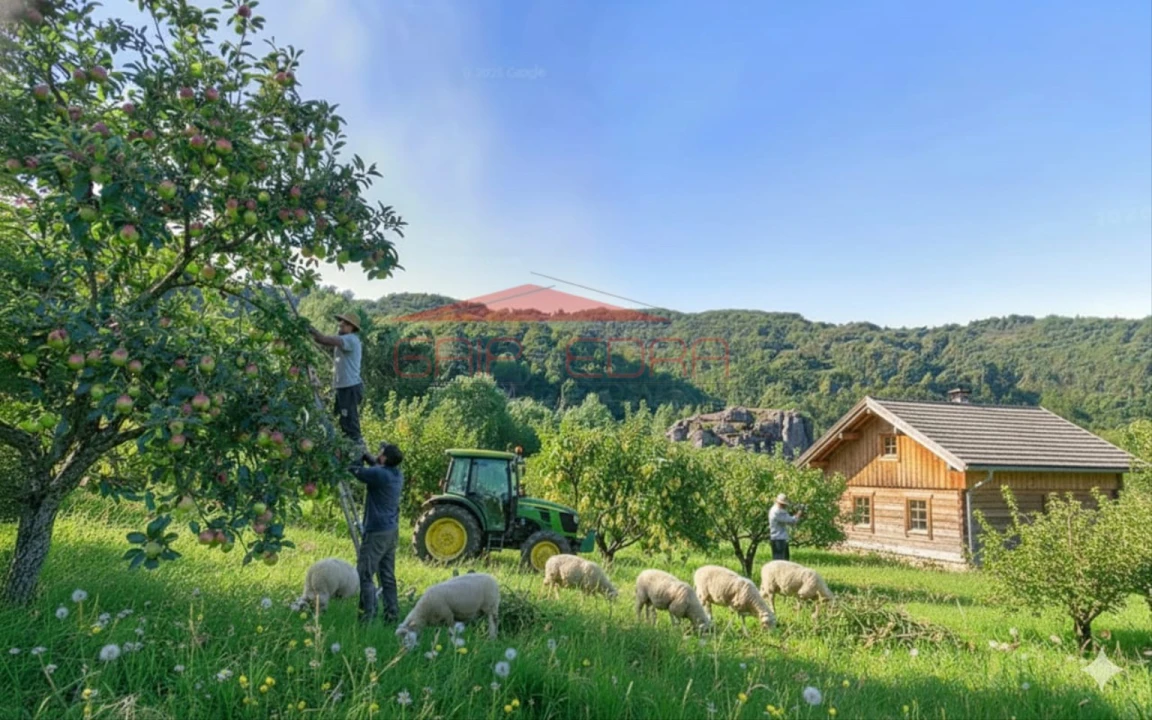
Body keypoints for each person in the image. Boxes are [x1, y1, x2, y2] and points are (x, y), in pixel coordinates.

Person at [349, 442, 405, 623]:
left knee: (365, 573)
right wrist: (366, 455)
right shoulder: (397, 474)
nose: (377, 453)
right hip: (391, 530)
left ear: (384, 458)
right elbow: (376, 465)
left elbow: (355, 470)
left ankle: (367, 615)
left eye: (380, 452)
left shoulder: (379, 474)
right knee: (387, 575)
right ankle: (392, 614)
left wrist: (354, 455)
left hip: (377, 532)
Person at [309, 312, 365, 455]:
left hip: (349, 387)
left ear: (352, 327)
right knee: (343, 420)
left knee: (350, 422)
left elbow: (323, 339)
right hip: (344, 386)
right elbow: (321, 341)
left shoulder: (350, 339)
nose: (340, 324)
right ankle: (347, 449)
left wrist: (310, 329)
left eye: (344, 323)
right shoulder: (345, 340)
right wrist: (314, 336)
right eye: (340, 322)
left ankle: (357, 450)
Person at [768, 493, 803, 561]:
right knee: (781, 562)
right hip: (779, 540)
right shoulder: (777, 512)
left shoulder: (775, 509)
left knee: (782, 560)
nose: (785, 506)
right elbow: (792, 521)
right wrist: (799, 514)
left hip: (777, 538)